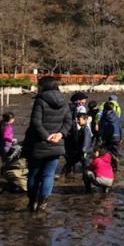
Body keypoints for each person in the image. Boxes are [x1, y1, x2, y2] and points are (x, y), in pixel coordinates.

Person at [23, 76, 72, 212]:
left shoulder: (40, 100)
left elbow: (35, 122)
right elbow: (68, 122)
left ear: (44, 86)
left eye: (39, 85)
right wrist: (60, 134)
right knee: (48, 175)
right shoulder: (64, 101)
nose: (37, 87)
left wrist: (46, 136)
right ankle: (43, 203)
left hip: (39, 144)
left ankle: (32, 202)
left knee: (33, 174)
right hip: (57, 144)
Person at [63, 107, 93, 176]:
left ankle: (87, 181)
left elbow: (86, 141)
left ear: (85, 120)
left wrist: (83, 151)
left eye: (79, 119)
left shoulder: (86, 130)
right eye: (77, 119)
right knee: (71, 162)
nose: (78, 121)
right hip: (80, 151)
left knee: (85, 167)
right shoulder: (82, 129)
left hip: (84, 152)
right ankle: (65, 174)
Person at [99, 102, 122, 173]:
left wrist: (102, 138)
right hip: (117, 136)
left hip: (108, 137)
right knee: (115, 152)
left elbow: (102, 129)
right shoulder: (117, 116)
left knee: (107, 152)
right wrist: (121, 137)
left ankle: (110, 166)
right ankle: (116, 166)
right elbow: (120, 127)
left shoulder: (103, 117)